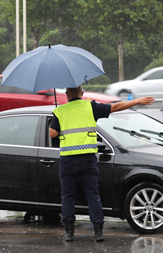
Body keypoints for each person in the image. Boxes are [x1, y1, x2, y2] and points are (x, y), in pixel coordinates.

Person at [49, 86, 155, 242]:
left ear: (67, 94)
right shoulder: (90, 107)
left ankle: (69, 233)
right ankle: (98, 232)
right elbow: (116, 107)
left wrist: (57, 121)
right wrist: (138, 100)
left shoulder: (60, 111)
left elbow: (52, 133)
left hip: (68, 160)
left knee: (68, 196)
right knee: (92, 194)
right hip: (87, 159)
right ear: (82, 93)